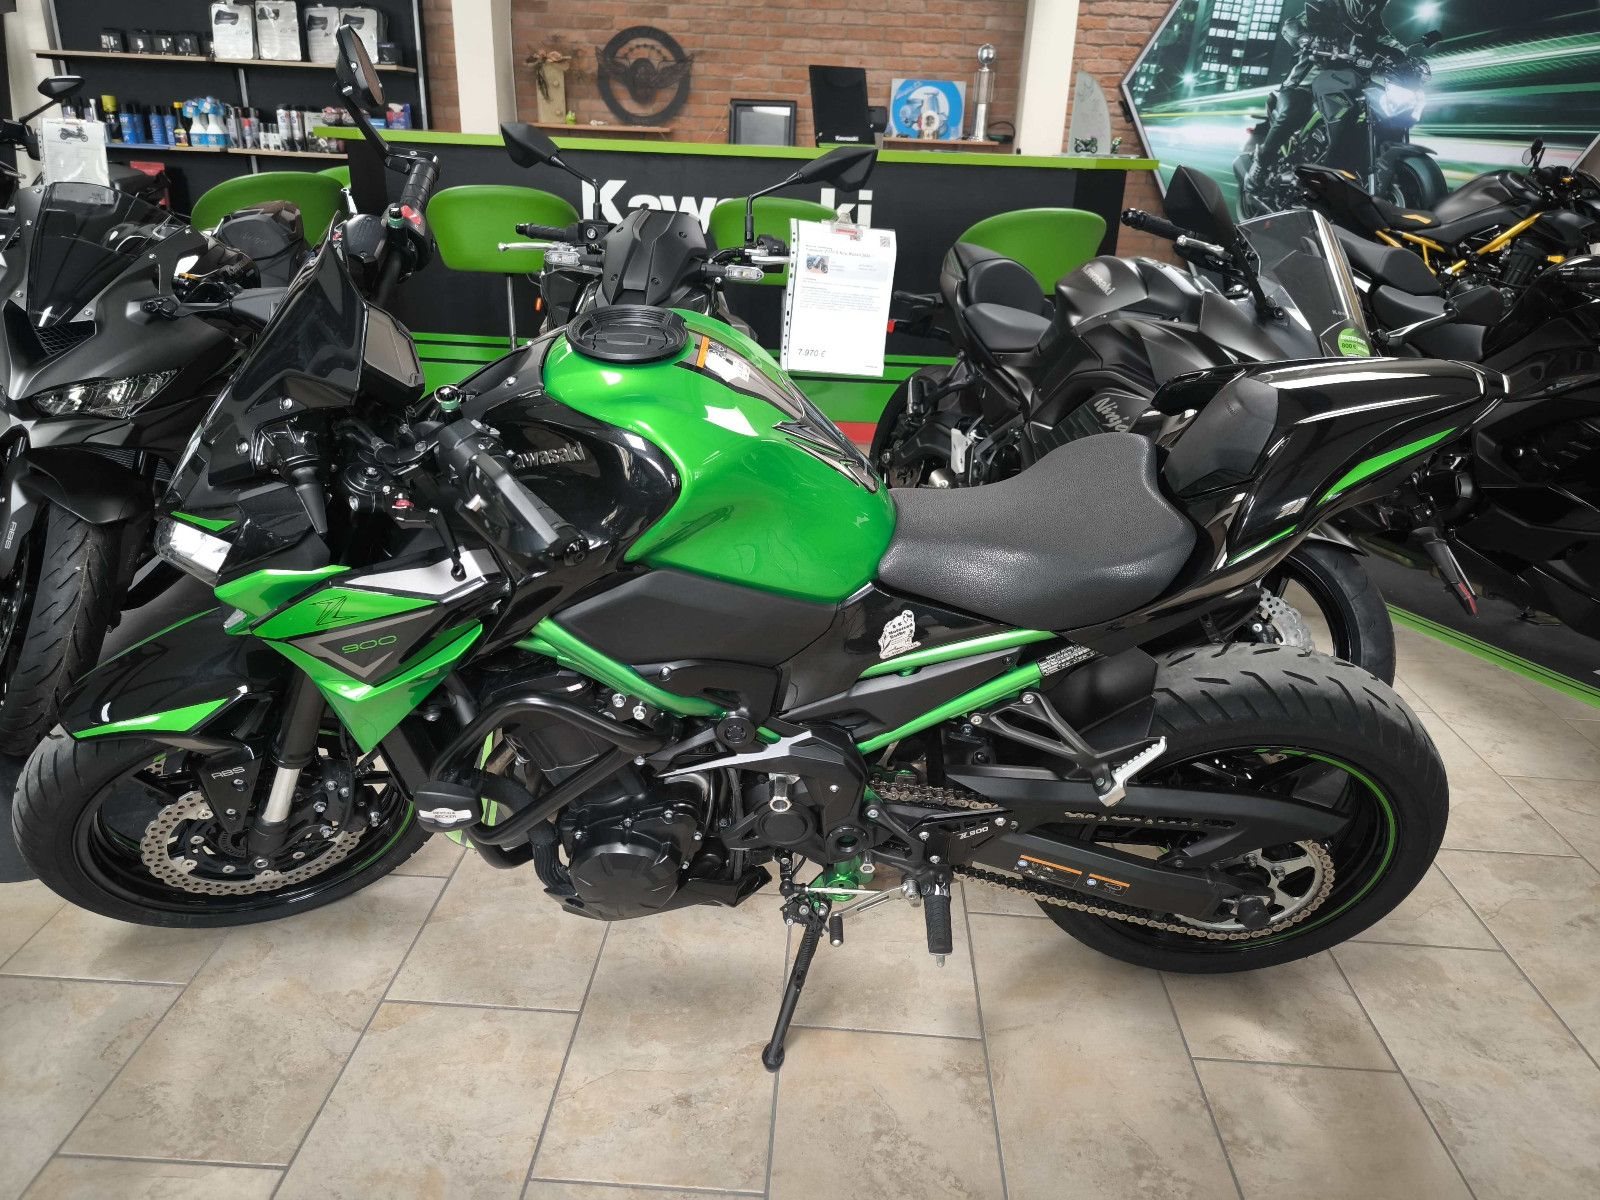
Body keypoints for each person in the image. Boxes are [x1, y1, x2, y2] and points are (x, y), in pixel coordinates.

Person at [1247, 0, 1414, 189]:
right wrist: (1306, 38)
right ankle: (1261, 163)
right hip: (1307, 82)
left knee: (1379, 110)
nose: (1373, 4)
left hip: (1347, 82)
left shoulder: (1371, 20)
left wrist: (1408, 57)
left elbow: (1389, 42)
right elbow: (1291, 26)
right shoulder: (1328, 6)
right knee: (1293, 109)